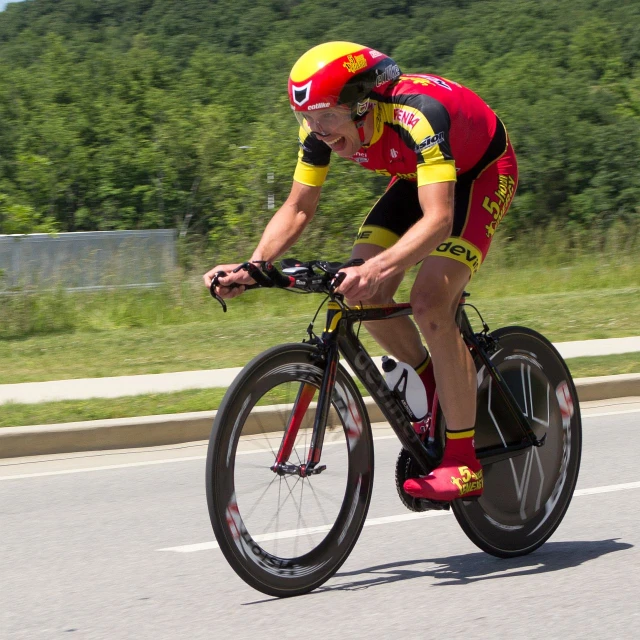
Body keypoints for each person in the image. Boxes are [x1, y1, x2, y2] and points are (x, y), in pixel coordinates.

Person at [204, 41, 518, 502]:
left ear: (363, 103)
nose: (318, 130)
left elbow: (439, 220)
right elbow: (297, 207)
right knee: (358, 291)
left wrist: (381, 266)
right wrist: (254, 266)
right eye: (307, 118)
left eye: (327, 116)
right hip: (417, 176)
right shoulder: (318, 130)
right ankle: (434, 382)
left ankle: (463, 461)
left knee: (431, 300)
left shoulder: (417, 114)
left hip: (483, 172)